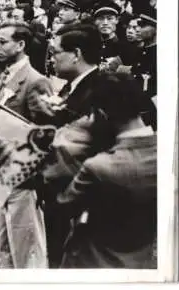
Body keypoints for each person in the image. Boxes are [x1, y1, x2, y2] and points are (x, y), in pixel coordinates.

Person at [57, 72, 156, 268]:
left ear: (101, 115)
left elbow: (62, 206)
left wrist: (63, 152)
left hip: (93, 262)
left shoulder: (99, 167)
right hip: (141, 262)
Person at [31, 23, 103, 267]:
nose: (51, 60)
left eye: (55, 53)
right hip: (60, 192)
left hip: (75, 196)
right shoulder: (75, 87)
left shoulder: (96, 90)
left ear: (76, 55)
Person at [0, 23, 52, 268]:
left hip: (22, 177)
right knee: (4, 243)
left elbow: (46, 136)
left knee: (27, 248)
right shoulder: (4, 76)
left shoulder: (36, 81)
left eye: (3, 42)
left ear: (21, 45)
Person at [92, 0, 125, 69]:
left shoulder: (125, 48)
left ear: (117, 20)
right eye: (101, 18)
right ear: (94, 21)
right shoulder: (89, 45)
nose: (105, 23)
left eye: (110, 18)